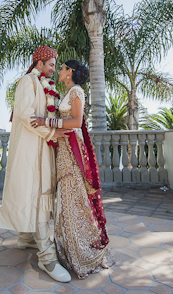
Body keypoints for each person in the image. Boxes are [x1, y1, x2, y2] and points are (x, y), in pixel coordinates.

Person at [31, 59, 114, 279]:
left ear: (70, 72)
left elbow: (76, 122)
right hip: (64, 148)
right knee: (67, 198)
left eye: (62, 68)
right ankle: (68, 249)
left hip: (72, 150)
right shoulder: (68, 92)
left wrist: (46, 122)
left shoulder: (77, 91)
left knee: (73, 196)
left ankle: (82, 251)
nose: (58, 71)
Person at [0, 46, 72, 283]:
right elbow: (26, 116)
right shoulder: (27, 82)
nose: (53, 69)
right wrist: (52, 131)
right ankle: (46, 257)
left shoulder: (45, 85)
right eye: (51, 64)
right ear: (39, 63)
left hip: (44, 147)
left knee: (40, 191)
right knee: (37, 193)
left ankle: (26, 237)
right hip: (32, 147)